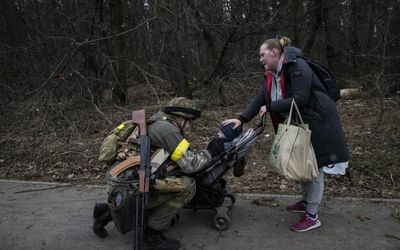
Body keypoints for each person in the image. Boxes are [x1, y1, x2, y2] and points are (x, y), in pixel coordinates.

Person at [222, 36, 349, 232]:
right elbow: (260, 98)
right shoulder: (273, 73)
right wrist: (241, 119)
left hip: (319, 124)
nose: (260, 59)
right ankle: (306, 202)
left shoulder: (297, 67)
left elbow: (300, 99)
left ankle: (312, 216)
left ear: (274, 52)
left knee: (313, 168)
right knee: (301, 164)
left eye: (262, 54)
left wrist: (271, 106)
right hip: (301, 124)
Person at [93, 97, 221, 250]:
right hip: (131, 186)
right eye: (190, 120)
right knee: (187, 186)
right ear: (180, 118)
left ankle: (107, 212)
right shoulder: (168, 130)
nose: (190, 125)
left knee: (160, 182)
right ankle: (151, 234)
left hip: (120, 184)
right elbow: (191, 164)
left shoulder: (153, 121)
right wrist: (211, 153)